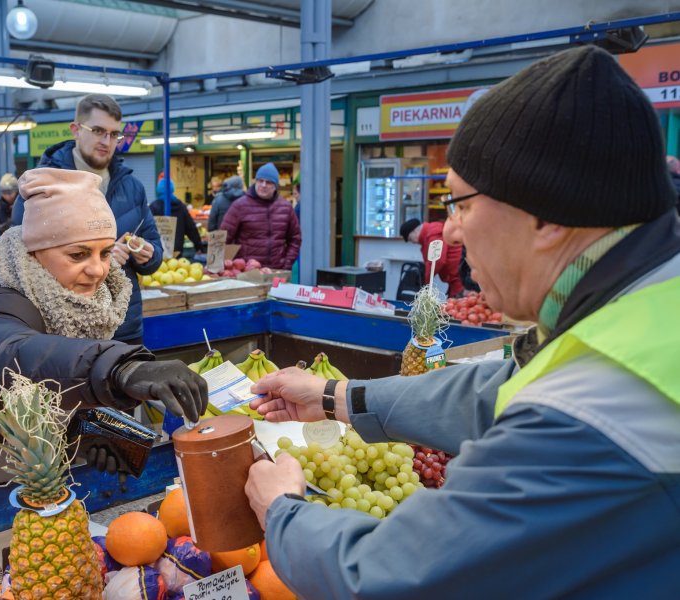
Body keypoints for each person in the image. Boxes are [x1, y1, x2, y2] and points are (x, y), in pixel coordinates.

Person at [243, 46, 680, 598]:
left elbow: (390, 579)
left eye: (461, 204)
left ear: (544, 214)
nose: (450, 233)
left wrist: (283, 509)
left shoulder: (596, 410)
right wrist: (339, 397)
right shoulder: (646, 301)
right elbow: (506, 387)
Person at [0, 169, 207, 513]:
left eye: (104, 253)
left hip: (26, 487)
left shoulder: (80, 303)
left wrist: (97, 430)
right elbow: (12, 357)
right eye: (78, 254)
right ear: (35, 252)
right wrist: (119, 368)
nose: (98, 270)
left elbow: (57, 384)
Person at [11, 94, 161, 345]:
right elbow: (22, 260)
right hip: (65, 330)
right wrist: (99, 259)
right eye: (99, 131)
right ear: (76, 130)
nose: (107, 141)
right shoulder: (42, 184)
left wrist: (149, 254)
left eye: (114, 134)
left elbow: (155, 250)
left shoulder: (132, 187)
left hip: (124, 326)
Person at [220, 163, 301, 270]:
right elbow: (222, 238)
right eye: (260, 181)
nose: (263, 185)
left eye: (268, 182)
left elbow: (295, 238)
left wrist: (286, 264)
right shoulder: (239, 206)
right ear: (255, 182)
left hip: (276, 271)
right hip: (247, 273)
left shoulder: (286, 208)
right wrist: (226, 264)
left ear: (275, 186)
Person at [400, 217, 465, 297]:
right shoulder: (429, 235)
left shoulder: (432, 234)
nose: (412, 242)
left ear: (414, 231)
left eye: (410, 239)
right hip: (457, 280)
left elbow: (437, 261)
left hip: (460, 281)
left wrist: (425, 285)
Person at [149, 179, 205, 257]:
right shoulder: (180, 206)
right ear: (172, 189)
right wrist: (199, 246)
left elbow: (147, 228)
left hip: (157, 252)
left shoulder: (153, 207)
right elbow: (191, 228)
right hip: (176, 252)